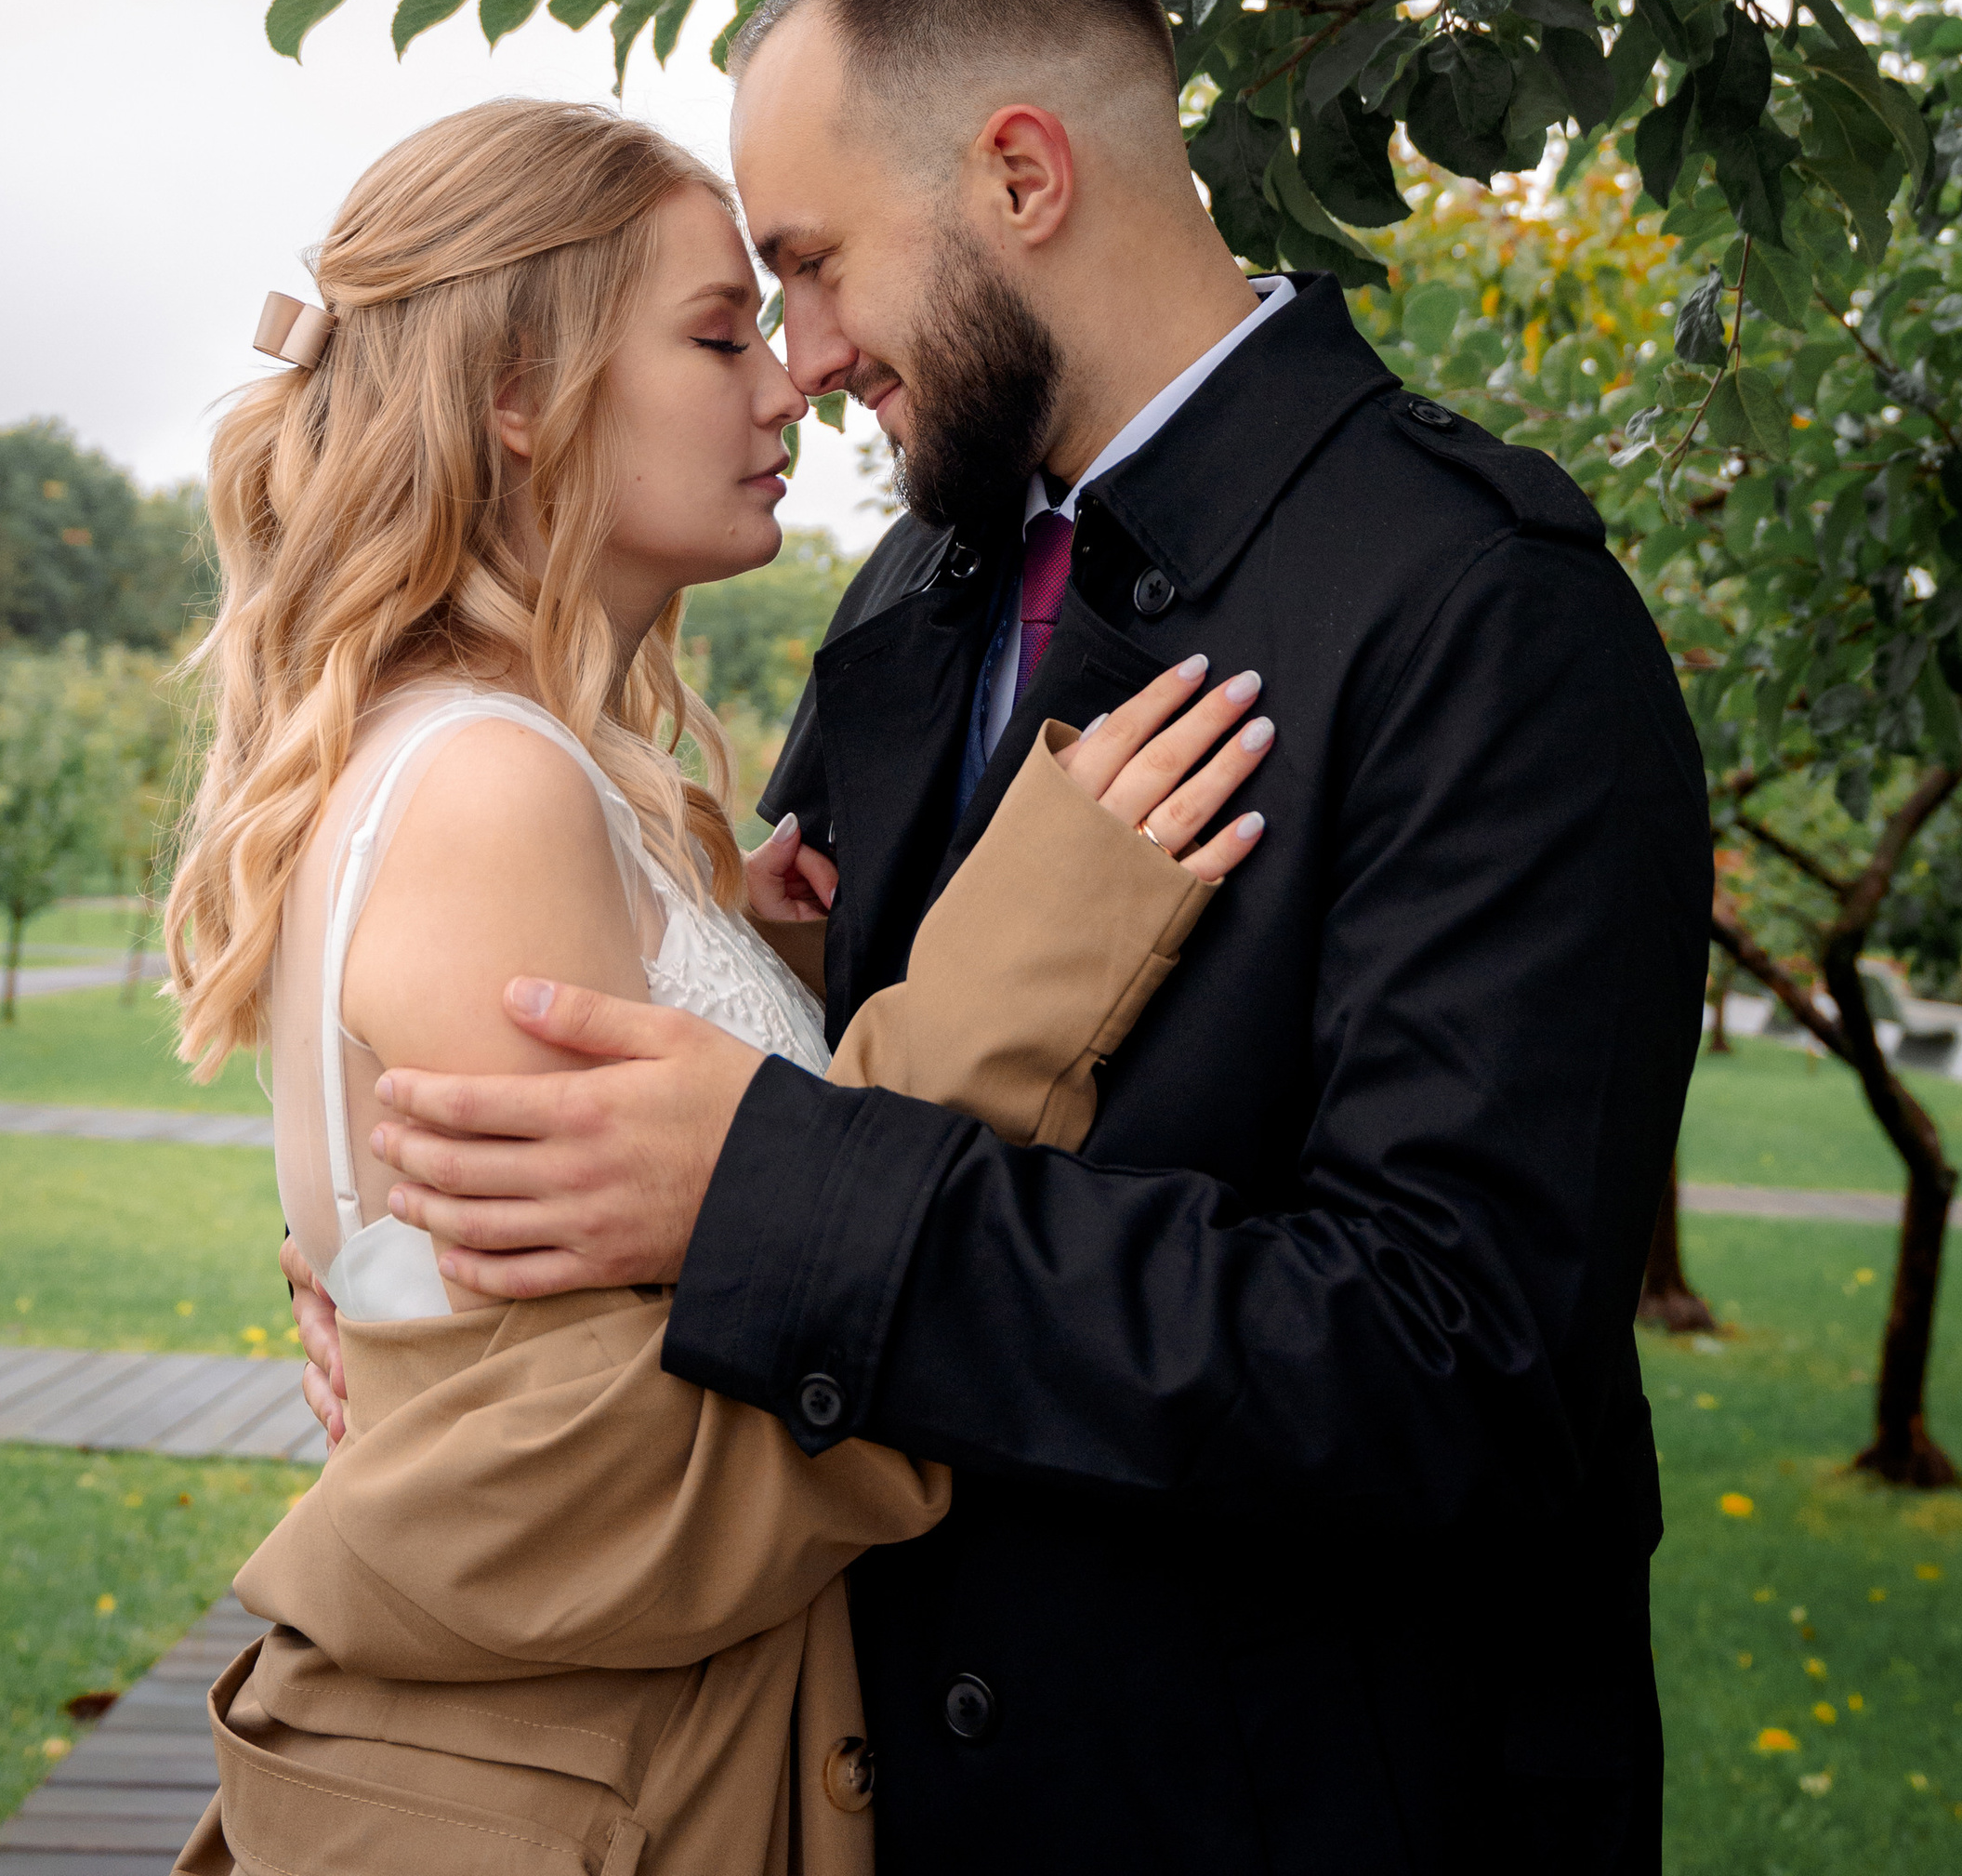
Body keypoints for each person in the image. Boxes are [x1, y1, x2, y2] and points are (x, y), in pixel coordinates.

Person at [335, 0, 1714, 1875]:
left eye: (806, 268)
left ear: (1017, 173)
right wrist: (448, 1374)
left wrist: (776, 1191)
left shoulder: (1480, 612)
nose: (799, 363)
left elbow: (1456, 1366)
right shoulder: (913, 594)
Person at [164, 95, 1269, 1872]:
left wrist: (753, 956)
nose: (788, 384)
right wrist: (1038, 943)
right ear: (519, 393)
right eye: (718, 331)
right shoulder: (486, 789)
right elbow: (635, 1460)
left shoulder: (562, 774)